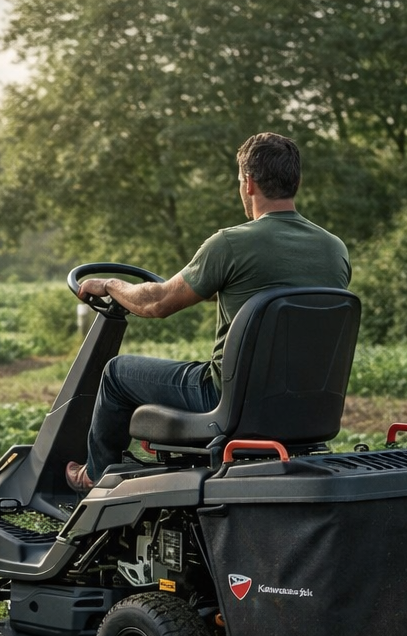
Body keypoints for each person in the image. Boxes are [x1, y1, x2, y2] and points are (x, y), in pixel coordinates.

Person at [67, 131, 351, 492]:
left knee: (116, 372)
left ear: (248, 183)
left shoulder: (230, 244)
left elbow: (156, 302)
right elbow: (275, 298)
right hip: (307, 406)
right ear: (296, 181)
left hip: (226, 400)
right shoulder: (334, 249)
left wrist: (110, 285)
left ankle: (95, 475)